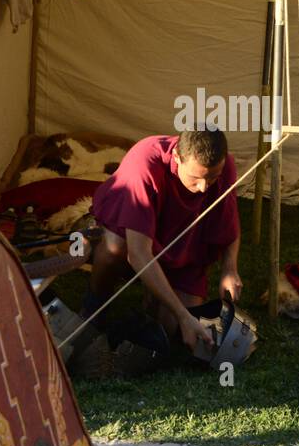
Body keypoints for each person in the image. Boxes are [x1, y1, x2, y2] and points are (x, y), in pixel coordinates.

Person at [73, 128, 243, 360]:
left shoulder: (225, 166)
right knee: (114, 247)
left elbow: (229, 222)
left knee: (168, 330)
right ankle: (94, 307)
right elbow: (138, 253)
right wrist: (184, 316)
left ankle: (152, 299)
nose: (204, 187)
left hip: (184, 244)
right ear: (177, 158)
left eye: (212, 178)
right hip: (135, 236)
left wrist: (229, 269)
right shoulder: (143, 166)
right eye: (196, 178)